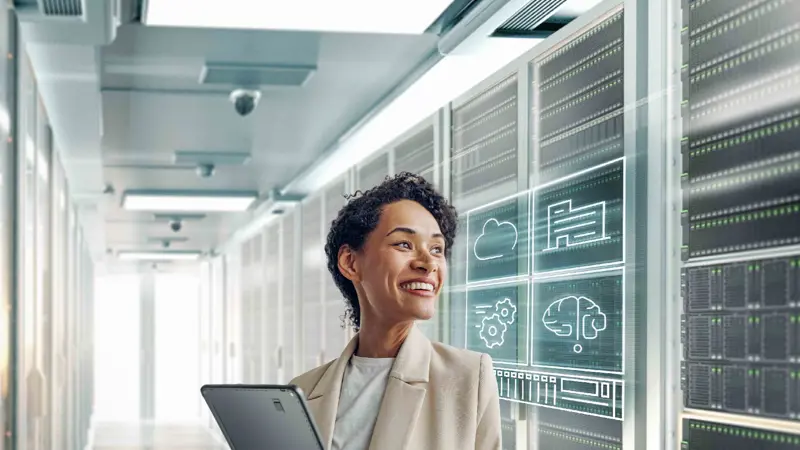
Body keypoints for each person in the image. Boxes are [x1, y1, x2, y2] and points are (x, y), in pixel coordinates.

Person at [290, 172, 502, 450]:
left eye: (437, 249)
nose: (428, 263)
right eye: (404, 244)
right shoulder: (303, 391)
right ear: (351, 262)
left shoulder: (469, 377)